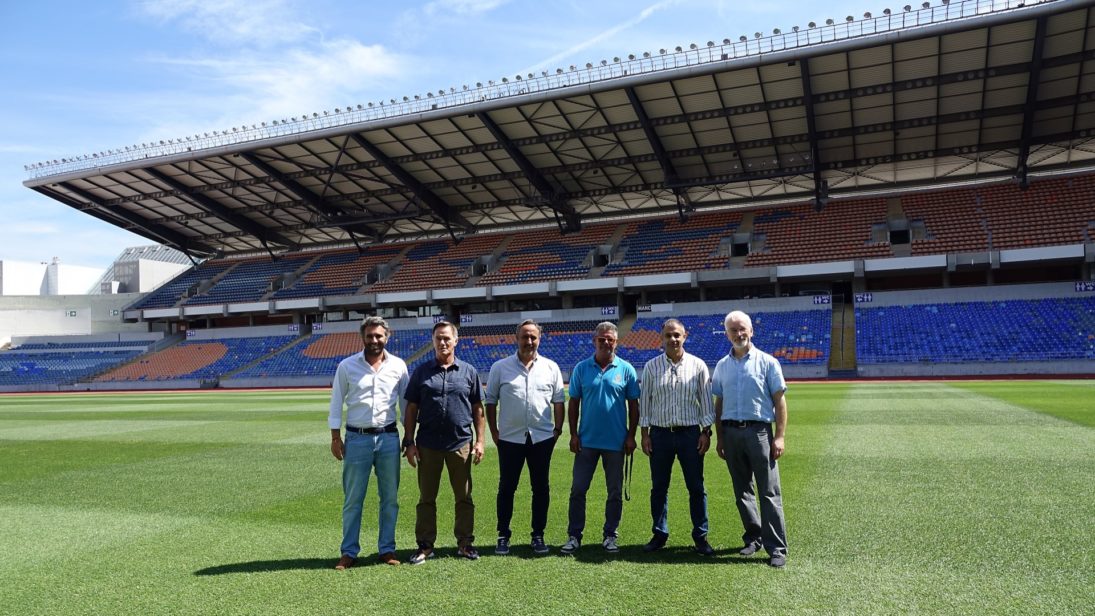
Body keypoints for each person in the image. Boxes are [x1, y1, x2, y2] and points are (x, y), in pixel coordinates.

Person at [329, 316, 409, 570]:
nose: (374, 340)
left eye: (379, 336)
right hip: (357, 439)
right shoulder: (347, 366)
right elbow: (336, 402)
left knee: (390, 498)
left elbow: (406, 405)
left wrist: (410, 437)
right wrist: (334, 437)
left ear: (387, 337)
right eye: (370, 336)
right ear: (362, 337)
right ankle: (349, 551)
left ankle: (387, 548)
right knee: (353, 498)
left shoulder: (399, 366)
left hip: (388, 438)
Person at [402, 320, 486, 564]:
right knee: (427, 498)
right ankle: (425, 546)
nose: (442, 342)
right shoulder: (421, 372)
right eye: (438, 338)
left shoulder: (469, 372)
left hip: (460, 444)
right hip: (427, 445)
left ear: (456, 340)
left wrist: (480, 442)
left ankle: (465, 543)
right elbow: (411, 409)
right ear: (433, 341)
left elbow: (478, 409)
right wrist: (409, 442)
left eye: (447, 338)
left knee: (464, 497)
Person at [711, 310, 789, 568]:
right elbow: (719, 403)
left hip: (759, 433)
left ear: (751, 331)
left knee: (769, 491)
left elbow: (780, 401)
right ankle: (753, 537)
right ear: (726, 334)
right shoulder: (722, 366)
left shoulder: (768, 362)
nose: (738, 333)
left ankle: (776, 547)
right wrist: (720, 438)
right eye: (733, 330)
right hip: (731, 433)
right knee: (741, 490)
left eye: (742, 328)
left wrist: (779, 436)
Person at [484, 320, 566, 555]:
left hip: (541, 438)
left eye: (533, 337)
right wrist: (495, 432)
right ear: (516, 338)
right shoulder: (500, 367)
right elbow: (490, 401)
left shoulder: (551, 367)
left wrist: (557, 430)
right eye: (525, 337)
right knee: (507, 488)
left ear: (539, 339)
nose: (529, 341)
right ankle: (503, 535)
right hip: (509, 439)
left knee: (541, 488)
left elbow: (558, 402)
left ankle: (538, 535)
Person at [560, 321, 640, 555]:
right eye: (602, 339)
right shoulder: (582, 369)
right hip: (587, 442)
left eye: (610, 340)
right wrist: (573, 434)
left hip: (616, 443)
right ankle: (574, 536)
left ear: (616, 342)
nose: (606, 343)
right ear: (594, 341)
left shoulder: (626, 369)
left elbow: (634, 406)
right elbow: (573, 403)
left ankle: (610, 535)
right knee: (578, 490)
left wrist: (631, 436)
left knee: (614, 492)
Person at [639, 318, 717, 556]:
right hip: (660, 435)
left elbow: (706, 403)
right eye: (668, 335)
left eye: (677, 335)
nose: (673, 339)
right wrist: (645, 435)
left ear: (685, 336)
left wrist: (706, 432)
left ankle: (701, 536)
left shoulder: (698, 365)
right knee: (659, 488)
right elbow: (645, 403)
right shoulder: (651, 367)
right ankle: (659, 534)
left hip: (690, 434)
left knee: (696, 487)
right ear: (661, 338)